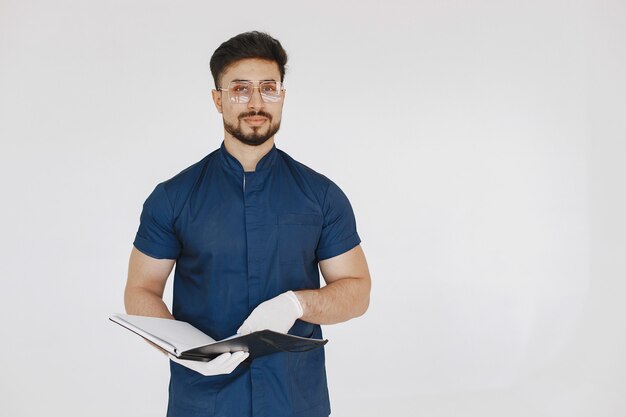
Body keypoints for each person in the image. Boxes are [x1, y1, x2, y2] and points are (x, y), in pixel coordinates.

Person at [124, 31, 371, 417]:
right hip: (204, 402)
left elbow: (357, 291)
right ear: (217, 98)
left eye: (268, 88)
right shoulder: (173, 197)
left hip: (295, 400)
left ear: (282, 96)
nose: (256, 102)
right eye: (240, 89)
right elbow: (141, 290)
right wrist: (183, 351)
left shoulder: (321, 195)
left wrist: (297, 303)